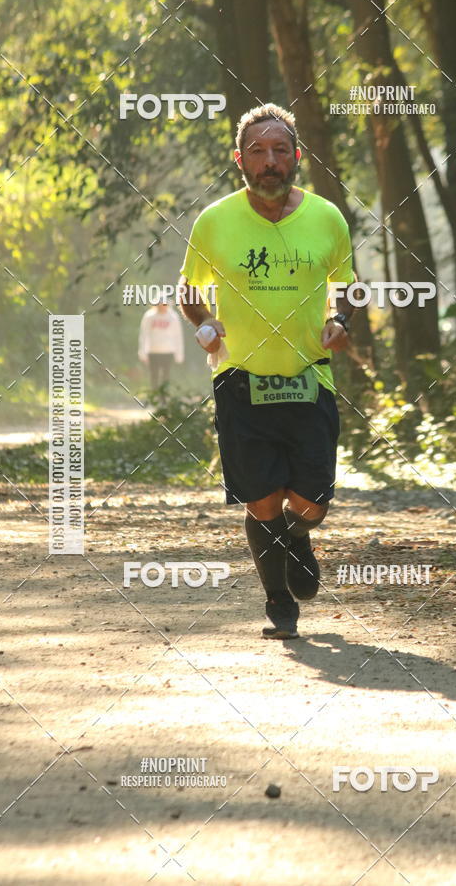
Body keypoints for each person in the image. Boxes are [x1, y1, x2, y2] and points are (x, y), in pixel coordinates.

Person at [179, 103, 354, 639]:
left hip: (310, 376)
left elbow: (344, 287)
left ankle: (297, 537)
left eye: (280, 150)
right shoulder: (214, 221)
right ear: (241, 161)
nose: (270, 161)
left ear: (296, 156)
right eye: (259, 151)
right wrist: (204, 323)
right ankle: (279, 601)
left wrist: (340, 318)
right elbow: (189, 291)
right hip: (241, 380)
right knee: (260, 501)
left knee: (311, 503)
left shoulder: (327, 218)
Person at [138, 301, 185, 389]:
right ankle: (155, 396)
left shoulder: (173, 317)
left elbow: (178, 336)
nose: (162, 307)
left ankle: (164, 398)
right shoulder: (149, 316)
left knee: (166, 375)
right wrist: (142, 352)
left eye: (164, 304)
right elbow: (143, 335)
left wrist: (179, 354)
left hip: (168, 351)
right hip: (153, 351)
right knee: (154, 375)